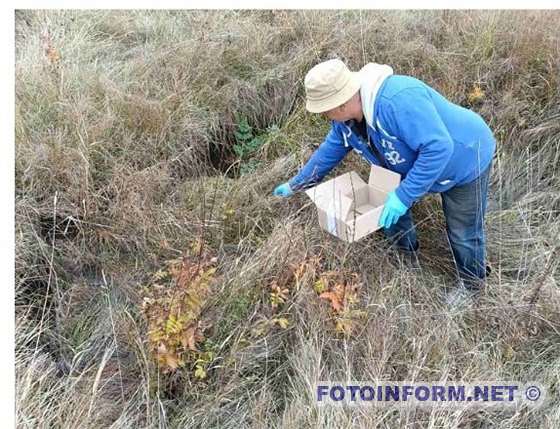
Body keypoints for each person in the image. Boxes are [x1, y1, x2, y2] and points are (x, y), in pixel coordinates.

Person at [273, 59, 495, 305]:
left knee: (463, 231)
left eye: (325, 109)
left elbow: (439, 148)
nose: (324, 116)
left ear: (342, 102)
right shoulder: (345, 122)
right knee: (388, 210)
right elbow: (330, 151)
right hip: (404, 163)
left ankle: (472, 286)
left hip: (465, 158)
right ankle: (405, 256)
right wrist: (297, 184)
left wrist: (403, 196)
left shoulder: (398, 102)